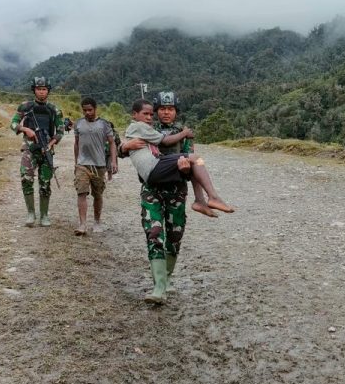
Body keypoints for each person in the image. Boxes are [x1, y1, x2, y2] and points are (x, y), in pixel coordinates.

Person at [120, 98, 234, 304]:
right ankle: (159, 286)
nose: (165, 113)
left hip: (176, 190)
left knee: (174, 235)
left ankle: (167, 278)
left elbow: (193, 164)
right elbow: (123, 150)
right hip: (152, 190)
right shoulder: (145, 127)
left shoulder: (183, 134)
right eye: (161, 109)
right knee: (154, 233)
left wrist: (186, 170)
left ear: (176, 112)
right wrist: (125, 146)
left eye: (170, 109)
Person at [9, 76, 64, 227]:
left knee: (45, 183)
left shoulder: (54, 110)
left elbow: (60, 131)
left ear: (48, 91)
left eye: (44, 89)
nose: (41, 92)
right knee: (26, 178)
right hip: (29, 148)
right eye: (39, 89)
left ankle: (44, 215)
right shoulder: (25, 107)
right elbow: (13, 124)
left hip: (46, 149)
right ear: (34, 90)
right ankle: (31, 213)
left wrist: (51, 143)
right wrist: (25, 129)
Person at [73, 97, 117, 236]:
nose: (87, 112)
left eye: (90, 110)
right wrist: (76, 162)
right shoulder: (78, 124)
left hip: (99, 165)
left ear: (95, 109)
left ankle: (97, 221)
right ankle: (82, 224)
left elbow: (112, 143)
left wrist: (114, 162)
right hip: (82, 164)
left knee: (98, 194)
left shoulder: (104, 124)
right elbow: (76, 143)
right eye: (84, 110)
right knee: (81, 193)